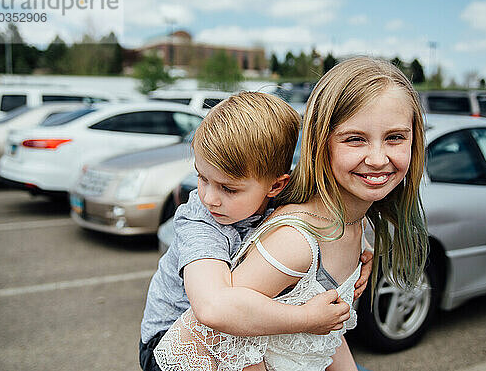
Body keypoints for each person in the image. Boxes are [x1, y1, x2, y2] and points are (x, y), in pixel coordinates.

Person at [153, 57, 429, 371]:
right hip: (165, 340)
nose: (378, 158)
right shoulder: (287, 239)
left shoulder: (333, 219)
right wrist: (307, 318)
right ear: (320, 142)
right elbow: (209, 324)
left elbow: (325, 339)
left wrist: (363, 245)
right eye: (355, 139)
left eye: (395, 137)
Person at [139, 91, 374, 371]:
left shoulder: (280, 195)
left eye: (228, 188)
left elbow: (328, 210)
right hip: (171, 346)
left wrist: (362, 247)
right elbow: (212, 307)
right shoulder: (200, 223)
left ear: (276, 186)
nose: (209, 198)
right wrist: (306, 319)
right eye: (202, 178)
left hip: (239, 332)